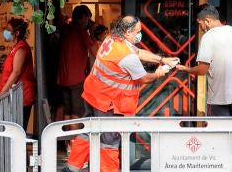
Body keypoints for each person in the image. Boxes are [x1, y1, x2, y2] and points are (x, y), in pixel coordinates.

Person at [61, 16, 179, 172]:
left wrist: (163, 59)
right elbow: (143, 78)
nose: (140, 34)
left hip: (92, 95)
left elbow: (138, 52)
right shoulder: (126, 56)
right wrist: (158, 73)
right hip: (107, 103)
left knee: (87, 132)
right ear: (128, 32)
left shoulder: (112, 39)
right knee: (109, 141)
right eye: (138, 31)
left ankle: (72, 168)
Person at [176, 3, 232, 116]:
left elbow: (202, 70)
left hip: (219, 97)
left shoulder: (208, 37)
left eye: (200, 23)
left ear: (207, 20)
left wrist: (185, 69)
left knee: (221, 132)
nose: (200, 27)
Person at [56, 5, 98, 126]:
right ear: (83, 17)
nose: (88, 21)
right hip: (76, 80)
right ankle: (73, 143)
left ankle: (68, 142)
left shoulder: (65, 29)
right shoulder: (81, 31)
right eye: (88, 18)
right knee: (76, 114)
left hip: (62, 79)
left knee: (68, 112)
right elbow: (96, 52)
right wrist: (93, 34)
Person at [0, 18, 36, 130]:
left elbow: (16, 72)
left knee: (16, 130)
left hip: (21, 96)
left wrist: (2, 93)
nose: (5, 32)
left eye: (8, 30)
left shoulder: (21, 48)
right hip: (14, 96)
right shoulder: (16, 48)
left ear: (17, 33)